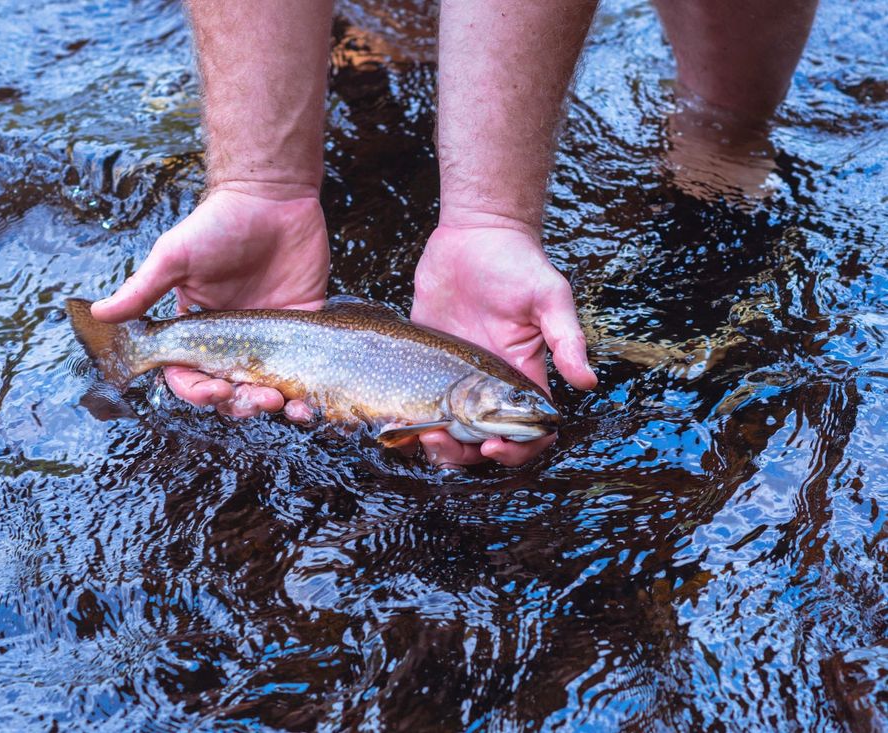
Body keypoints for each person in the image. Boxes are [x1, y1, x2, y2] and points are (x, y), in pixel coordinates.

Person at [90, 0, 818, 467]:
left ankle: (726, 125)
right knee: (403, 31)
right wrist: (258, 181)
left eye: (517, 408)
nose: (527, 412)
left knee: (731, 106)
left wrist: (491, 217)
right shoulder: (457, 393)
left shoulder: (462, 391)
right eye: (516, 405)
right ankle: (395, 43)